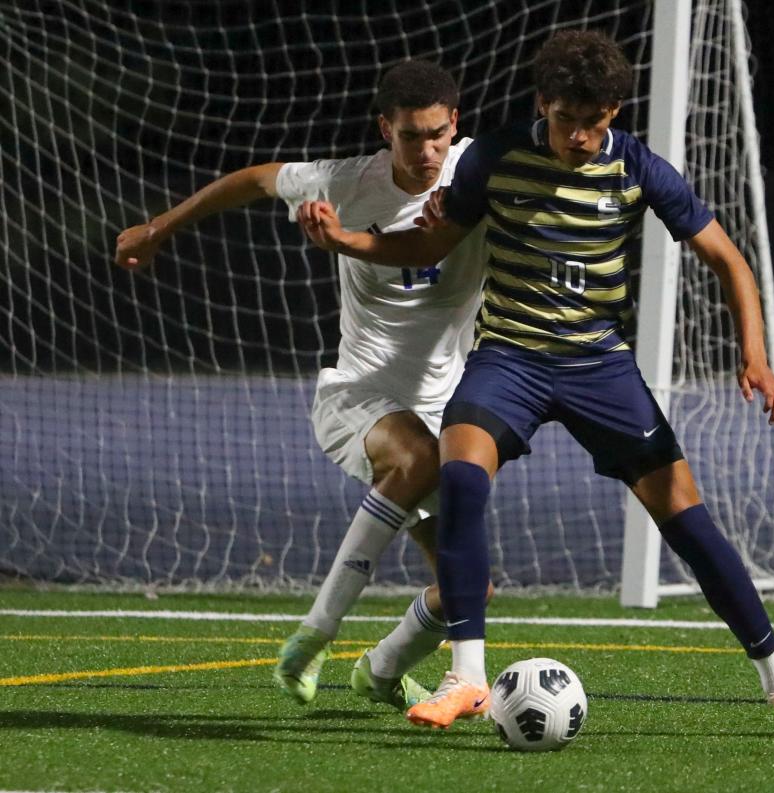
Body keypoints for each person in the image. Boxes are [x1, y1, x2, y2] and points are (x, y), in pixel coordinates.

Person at [296, 31, 774, 740]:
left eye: (595, 121)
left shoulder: (637, 168)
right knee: (459, 471)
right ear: (540, 103)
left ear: (614, 111)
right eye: (565, 120)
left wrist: (755, 355)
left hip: (598, 367)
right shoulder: (491, 156)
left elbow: (726, 257)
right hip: (509, 358)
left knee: (690, 524)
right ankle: (466, 673)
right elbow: (428, 244)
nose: (579, 136)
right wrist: (346, 242)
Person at [114, 60, 491, 712]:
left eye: (436, 134)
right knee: (415, 458)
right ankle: (315, 633)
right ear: (385, 130)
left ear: (453, 124)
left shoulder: (478, 174)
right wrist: (159, 226)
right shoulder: (345, 182)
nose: (425, 150)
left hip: (441, 408)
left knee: (468, 590)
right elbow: (255, 179)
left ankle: (381, 667)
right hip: (359, 395)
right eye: (409, 136)